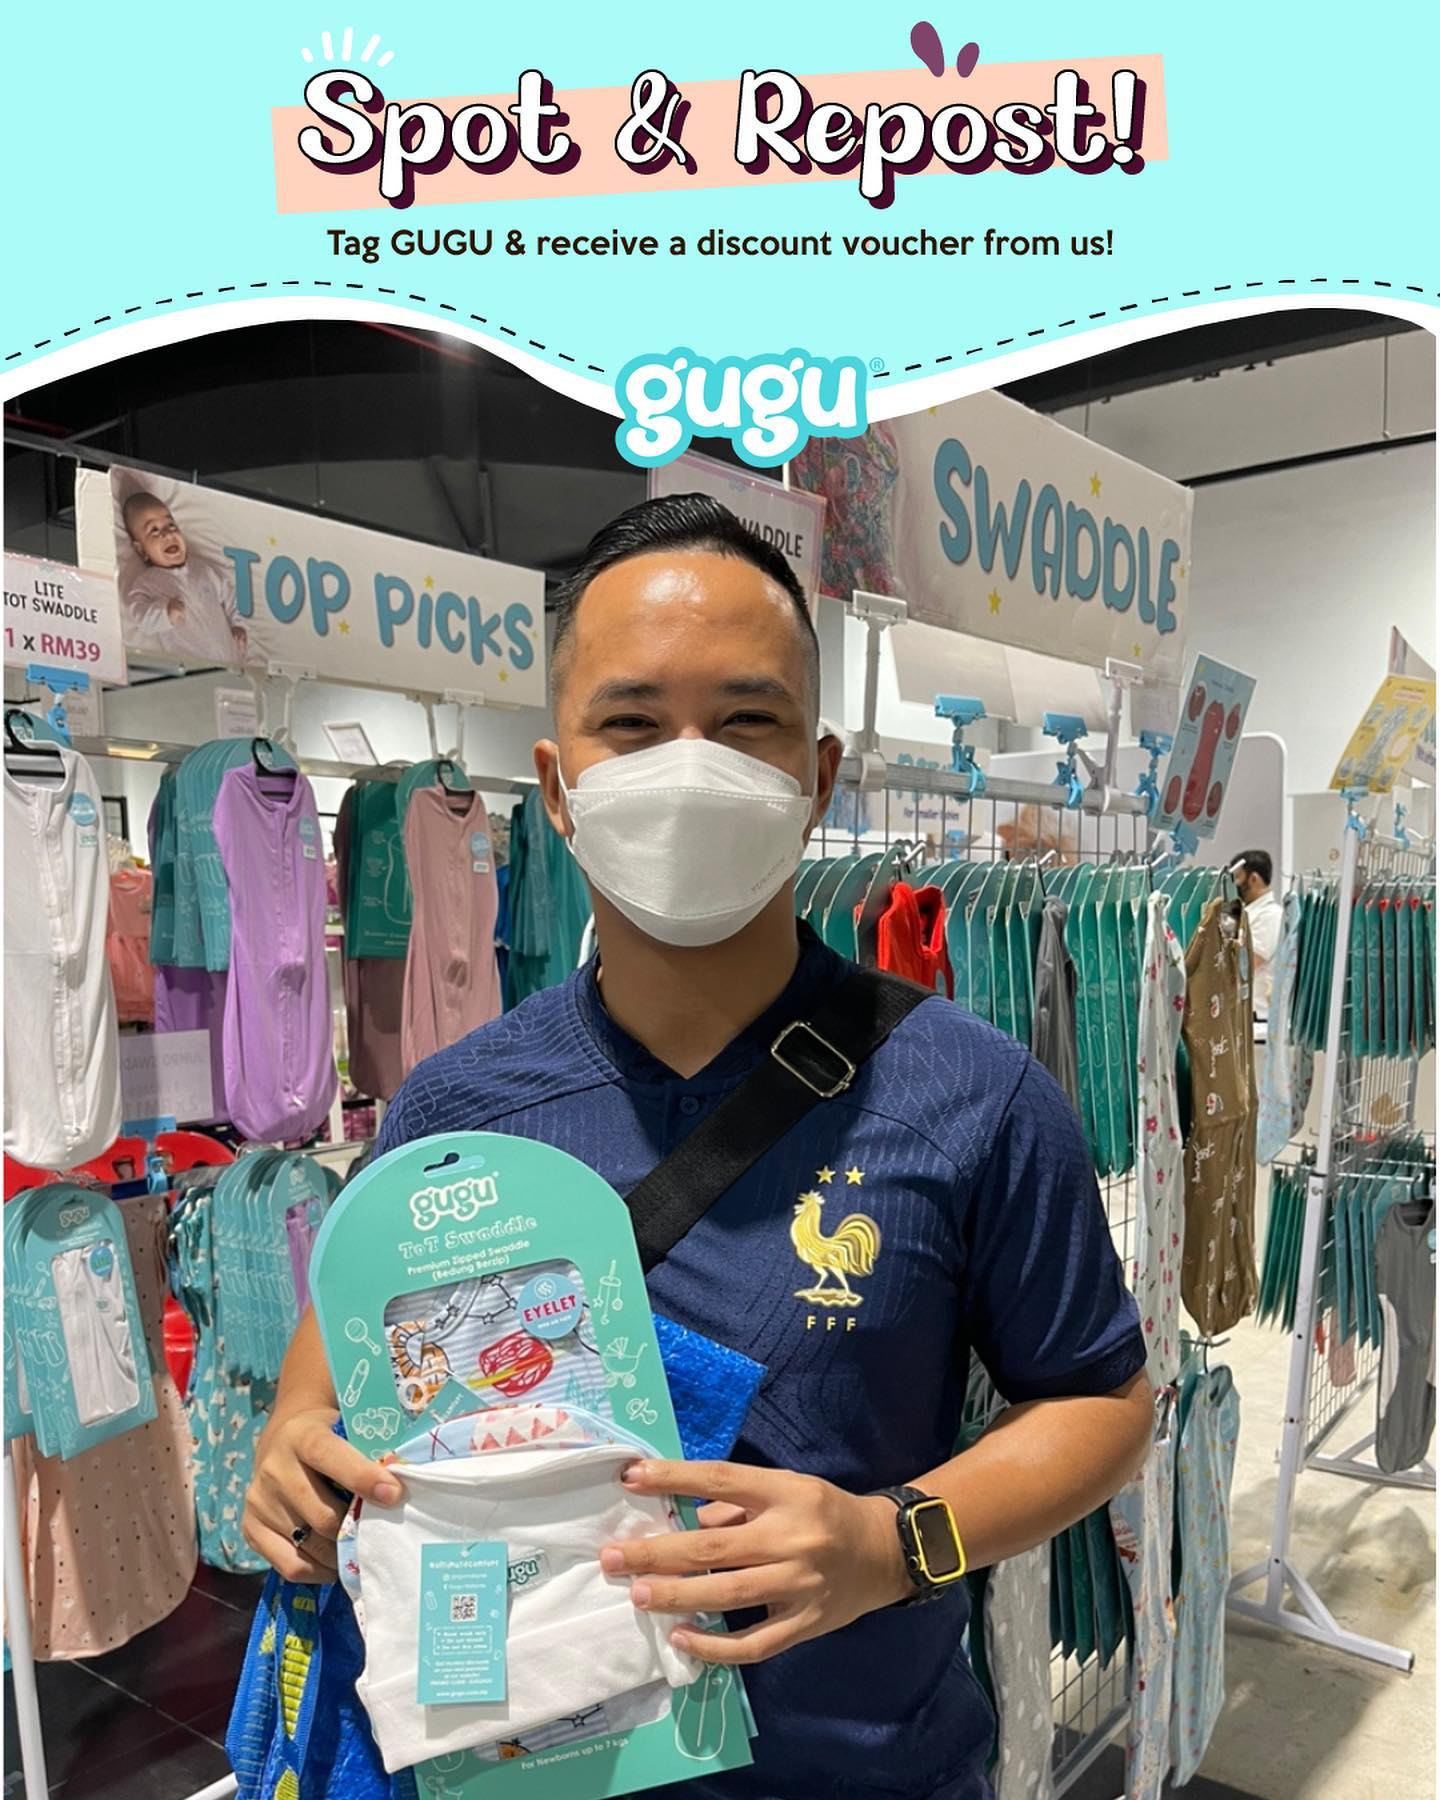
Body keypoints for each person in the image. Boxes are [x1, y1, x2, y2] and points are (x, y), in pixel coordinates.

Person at [243, 494, 1153, 1800]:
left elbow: (1103, 1402)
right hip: (527, 1764)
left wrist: (893, 1544)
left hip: (866, 1774)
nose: (688, 768)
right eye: (630, 723)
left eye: (745, 721)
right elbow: (330, 1367)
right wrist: (294, 1445)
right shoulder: (453, 1107)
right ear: (558, 785)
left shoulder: (977, 1095)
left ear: (817, 776)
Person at [121, 490, 249, 666]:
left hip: (231, 658)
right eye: (154, 530)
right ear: (141, 550)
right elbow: (140, 617)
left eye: (171, 525)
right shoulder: (147, 583)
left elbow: (230, 595)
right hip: (193, 666)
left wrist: (237, 624)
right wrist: (164, 613)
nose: (168, 534)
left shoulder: (202, 569)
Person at [1231, 848, 1282, 1021]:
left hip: (1258, 1016)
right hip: (1245, 1014)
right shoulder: (1248, 913)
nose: (1234, 884)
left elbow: (1249, 961)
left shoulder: (1270, 915)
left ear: (1253, 878)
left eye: (1237, 877)